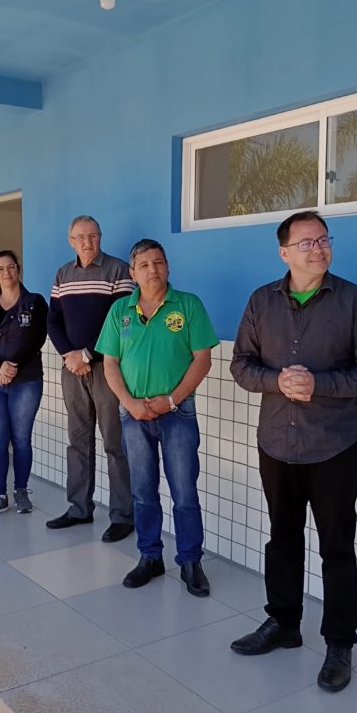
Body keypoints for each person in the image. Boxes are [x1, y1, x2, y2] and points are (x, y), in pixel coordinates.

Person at [229, 210, 357, 692]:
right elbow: (241, 365)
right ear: (284, 253)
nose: (318, 248)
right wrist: (276, 381)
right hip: (277, 443)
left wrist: (318, 384)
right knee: (282, 537)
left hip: (332, 446)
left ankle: (339, 642)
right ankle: (283, 623)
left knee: (336, 546)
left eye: (323, 240)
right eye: (306, 242)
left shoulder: (356, 301)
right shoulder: (261, 301)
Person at [97, 238, 218, 596]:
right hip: (133, 415)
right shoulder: (119, 310)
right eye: (145, 264)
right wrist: (130, 403)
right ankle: (150, 556)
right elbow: (110, 363)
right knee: (142, 491)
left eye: (159, 262)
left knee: (184, 491)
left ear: (167, 266)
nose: (153, 269)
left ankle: (191, 561)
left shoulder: (189, 305)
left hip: (178, 414)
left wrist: (171, 400)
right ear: (133, 273)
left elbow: (202, 359)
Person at [46, 216, 135, 542]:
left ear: (100, 236)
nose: (87, 242)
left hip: (106, 368)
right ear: (71, 241)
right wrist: (69, 356)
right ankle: (79, 508)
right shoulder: (62, 274)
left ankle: (123, 516)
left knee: (115, 442)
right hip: (72, 368)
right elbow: (53, 320)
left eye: (93, 235)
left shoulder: (118, 270)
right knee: (78, 441)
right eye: (80, 237)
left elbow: (121, 321)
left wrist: (86, 355)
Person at [0, 250, 47, 518]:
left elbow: (37, 338)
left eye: (11, 266)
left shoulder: (35, 302)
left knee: (21, 439)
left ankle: (21, 491)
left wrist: (12, 366)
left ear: (18, 269)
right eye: (1, 268)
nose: (7, 272)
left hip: (26, 380)